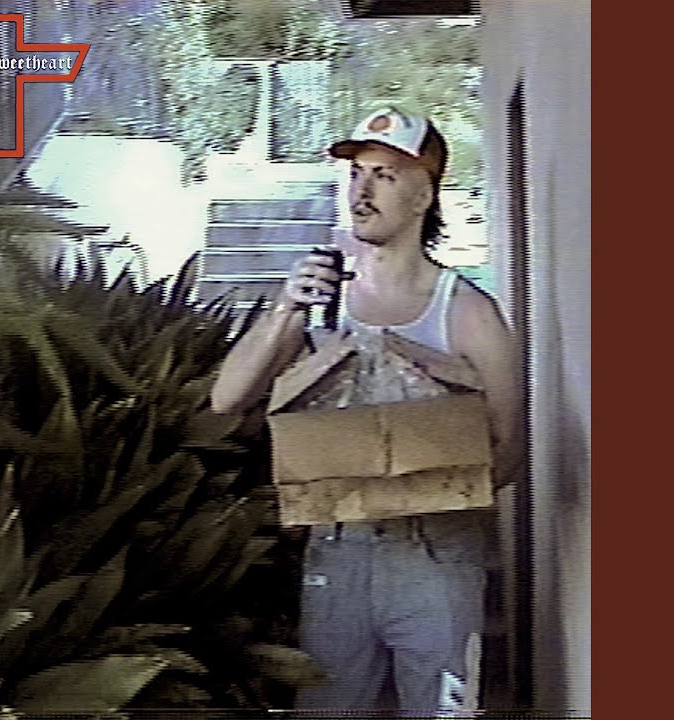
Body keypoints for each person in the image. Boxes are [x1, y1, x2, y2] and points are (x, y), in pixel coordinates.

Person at [210, 107, 522, 715]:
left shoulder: (467, 312)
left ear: (423, 196)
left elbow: (510, 450)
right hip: (338, 549)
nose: (362, 190)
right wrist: (284, 311)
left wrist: (428, 473)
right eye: (356, 173)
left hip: (436, 554)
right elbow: (226, 399)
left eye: (385, 175)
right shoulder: (320, 302)